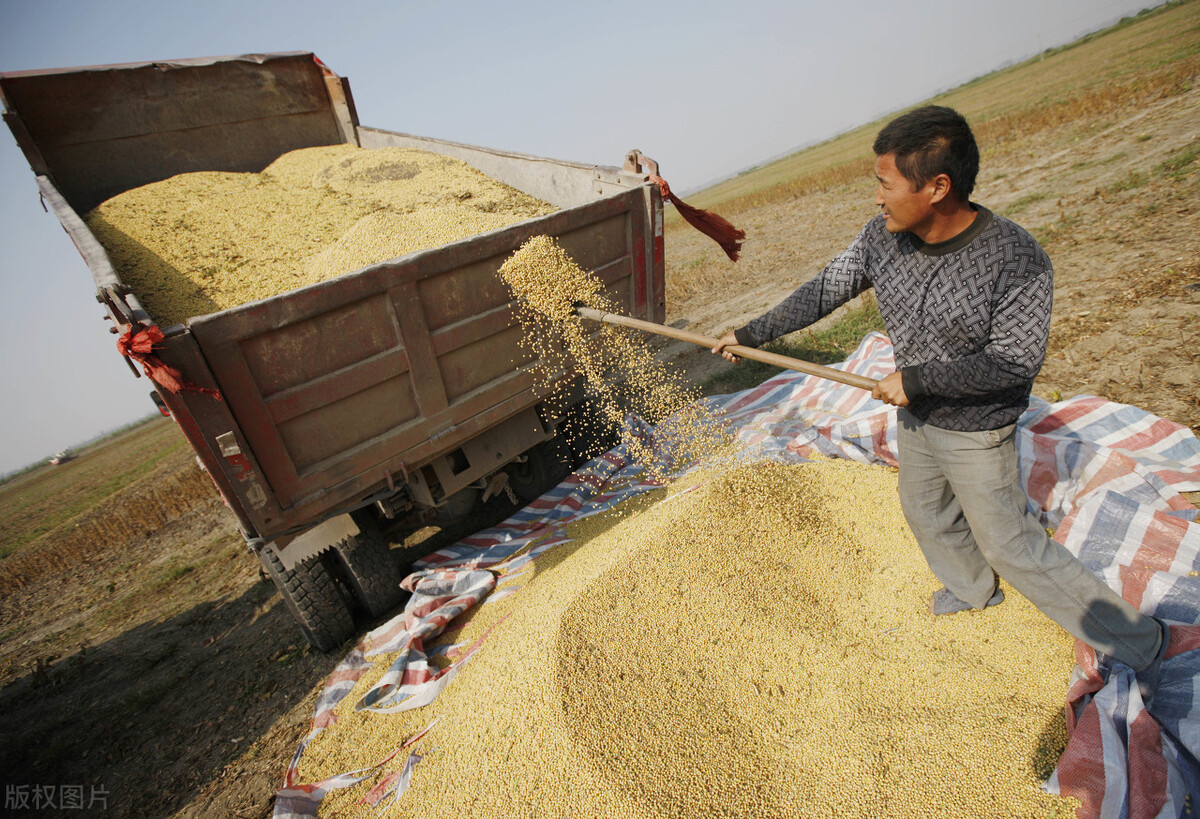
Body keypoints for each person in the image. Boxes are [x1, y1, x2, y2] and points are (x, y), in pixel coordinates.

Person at [711, 105, 1169, 703]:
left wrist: (920, 380)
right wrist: (751, 335)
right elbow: (825, 289)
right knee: (925, 507)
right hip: (918, 419)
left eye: (885, 184)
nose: (877, 198)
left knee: (1012, 542)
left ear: (937, 187)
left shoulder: (1015, 258)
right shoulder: (883, 239)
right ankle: (974, 589)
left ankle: (1142, 643)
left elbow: (1012, 363)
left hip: (976, 428)